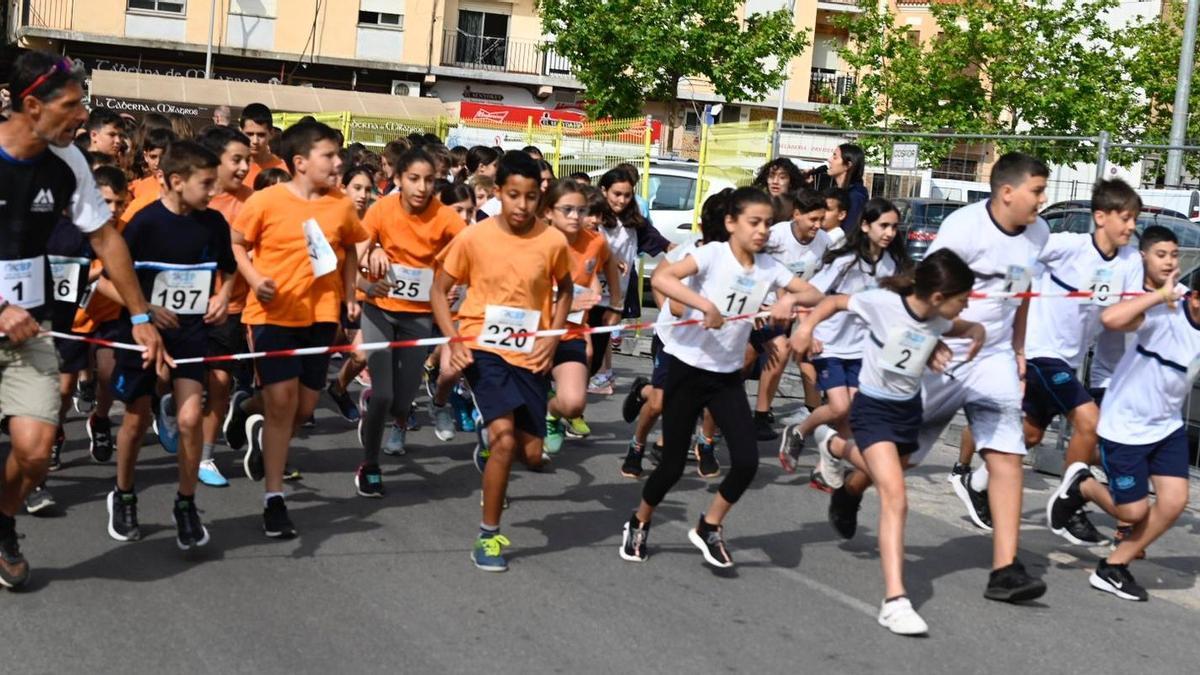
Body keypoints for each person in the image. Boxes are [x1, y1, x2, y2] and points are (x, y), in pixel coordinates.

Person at [0, 51, 165, 588]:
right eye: (72, 105)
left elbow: (105, 237)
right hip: (7, 315)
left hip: (34, 327)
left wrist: (139, 314)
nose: (83, 116)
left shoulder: (67, 162)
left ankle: (3, 522)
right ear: (31, 105)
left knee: (35, 455)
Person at [618, 187, 822, 568]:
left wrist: (789, 299)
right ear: (731, 224)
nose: (762, 231)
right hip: (686, 368)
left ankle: (709, 525)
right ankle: (639, 521)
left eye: (767, 223)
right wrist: (703, 305)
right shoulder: (712, 255)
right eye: (753, 222)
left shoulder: (769, 268)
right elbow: (664, 280)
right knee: (673, 466)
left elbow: (812, 292)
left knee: (746, 462)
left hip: (726, 375)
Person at [792, 249, 983, 634]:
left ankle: (835, 451)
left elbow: (962, 328)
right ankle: (895, 600)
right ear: (937, 296)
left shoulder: (939, 319)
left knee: (893, 471)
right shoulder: (883, 304)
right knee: (895, 495)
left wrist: (977, 331)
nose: (966, 306)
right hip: (873, 410)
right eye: (963, 298)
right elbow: (833, 302)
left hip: (908, 412)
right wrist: (805, 328)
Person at [911, 152, 1051, 602]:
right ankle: (848, 478)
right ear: (1007, 192)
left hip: (993, 358)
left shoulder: (1039, 233)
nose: (1042, 200)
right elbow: (927, 288)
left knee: (1007, 455)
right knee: (899, 455)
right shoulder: (963, 228)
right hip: (946, 351)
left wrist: (1018, 349)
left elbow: (1023, 293)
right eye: (1037, 190)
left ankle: (1004, 569)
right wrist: (929, 342)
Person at [430, 150, 573, 572]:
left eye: (530, 197)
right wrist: (453, 338)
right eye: (514, 196)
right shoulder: (474, 237)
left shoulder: (552, 240)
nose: (522, 206)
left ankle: (490, 451)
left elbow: (564, 290)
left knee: (532, 453)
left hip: (530, 354)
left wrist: (552, 337)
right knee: (505, 438)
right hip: (483, 348)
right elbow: (440, 290)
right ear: (498, 193)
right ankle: (488, 537)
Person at [230, 121, 367, 538]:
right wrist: (254, 280)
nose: (338, 163)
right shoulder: (266, 200)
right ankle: (274, 499)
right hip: (271, 316)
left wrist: (349, 297)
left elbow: (348, 252)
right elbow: (237, 242)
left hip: (321, 317)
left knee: (304, 410)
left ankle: (245, 410)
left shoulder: (341, 205)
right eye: (329, 155)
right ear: (300, 162)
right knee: (282, 405)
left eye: (338, 155)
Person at [1044, 225, 1195, 602]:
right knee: (1133, 514)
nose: (1169, 261)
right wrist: (1159, 296)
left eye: (1173, 255)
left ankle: (1113, 568)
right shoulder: (1167, 306)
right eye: (1162, 254)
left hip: (1166, 425)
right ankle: (1084, 486)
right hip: (1125, 421)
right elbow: (1112, 320)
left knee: (1174, 501)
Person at [102, 141, 236, 548]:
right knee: (136, 419)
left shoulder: (214, 224)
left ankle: (186, 502)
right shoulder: (144, 224)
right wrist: (145, 308)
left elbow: (229, 271)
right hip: (142, 334)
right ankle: (124, 495)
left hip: (192, 332)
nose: (214, 192)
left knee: (191, 418)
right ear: (177, 181)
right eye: (206, 183)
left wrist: (223, 296)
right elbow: (108, 279)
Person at [1019, 179, 1143, 546]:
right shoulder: (1067, 246)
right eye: (1125, 218)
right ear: (1100, 217)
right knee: (1088, 419)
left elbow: (1125, 321)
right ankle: (1070, 503)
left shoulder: (1131, 261)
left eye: (1135, 219)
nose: (1131, 226)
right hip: (1040, 350)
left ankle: (973, 479)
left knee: (1029, 435)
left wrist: (1131, 315)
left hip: (1069, 361)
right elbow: (1019, 256)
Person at [353, 148, 465, 496]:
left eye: (429, 180)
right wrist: (372, 257)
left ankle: (378, 407)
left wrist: (454, 283)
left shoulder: (444, 216)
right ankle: (370, 465)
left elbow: (472, 248)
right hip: (379, 310)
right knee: (386, 395)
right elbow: (353, 258)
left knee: (402, 404)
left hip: (418, 316)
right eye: (414, 179)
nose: (421, 187)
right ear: (398, 179)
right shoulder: (381, 209)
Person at [779, 198, 908, 480]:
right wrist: (807, 330)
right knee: (840, 406)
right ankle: (799, 432)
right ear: (864, 225)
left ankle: (823, 467)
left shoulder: (893, 264)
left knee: (852, 412)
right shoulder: (846, 261)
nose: (889, 232)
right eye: (883, 225)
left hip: (863, 349)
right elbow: (810, 296)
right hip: (829, 343)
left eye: (894, 227)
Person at [620, 189, 731, 479]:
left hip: (714, 340)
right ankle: (637, 445)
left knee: (714, 399)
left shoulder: (742, 258)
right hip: (675, 340)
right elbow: (662, 282)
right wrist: (668, 310)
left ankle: (705, 446)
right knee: (659, 403)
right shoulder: (691, 250)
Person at [541, 179, 622, 454]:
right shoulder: (534, 241)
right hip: (532, 333)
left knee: (574, 403)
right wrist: (563, 301)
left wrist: (616, 304)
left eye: (581, 210)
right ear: (548, 212)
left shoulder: (595, 241)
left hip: (571, 331)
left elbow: (610, 262)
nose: (576, 217)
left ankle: (552, 414)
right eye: (568, 210)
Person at [194, 125, 254, 488]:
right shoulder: (187, 196)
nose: (246, 167)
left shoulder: (255, 201)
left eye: (248, 160)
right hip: (179, 310)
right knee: (173, 378)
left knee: (219, 383)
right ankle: (166, 406)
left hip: (228, 310)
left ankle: (205, 456)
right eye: (237, 160)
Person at [753, 189, 831, 442]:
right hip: (764, 306)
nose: (818, 225)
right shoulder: (775, 236)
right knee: (751, 361)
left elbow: (821, 281)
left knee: (807, 351)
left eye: (822, 219)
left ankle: (809, 411)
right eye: (813, 220)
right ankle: (733, 412)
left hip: (801, 307)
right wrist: (782, 301)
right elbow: (767, 273)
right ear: (797, 215)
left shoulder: (825, 241)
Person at [589, 167, 671, 395]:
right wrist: (609, 259)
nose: (622, 200)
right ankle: (564, 404)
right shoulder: (592, 218)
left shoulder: (634, 222)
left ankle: (573, 400)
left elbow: (657, 241)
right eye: (617, 194)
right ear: (604, 191)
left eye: (627, 195)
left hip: (613, 298)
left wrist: (674, 249)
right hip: (587, 294)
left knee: (596, 355)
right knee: (583, 352)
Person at [240, 103, 288, 188]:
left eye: (261, 135)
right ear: (240, 132)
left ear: (271, 133)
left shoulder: (285, 171)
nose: (255, 141)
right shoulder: (232, 170)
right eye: (249, 134)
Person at [828, 144, 868, 235]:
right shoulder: (836, 192)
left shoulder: (856, 197)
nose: (829, 160)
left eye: (835, 157)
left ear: (848, 165)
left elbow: (849, 233)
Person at [128, 127, 176, 200]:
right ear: (146, 156)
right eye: (153, 157)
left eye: (163, 157)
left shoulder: (179, 186)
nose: (157, 163)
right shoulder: (135, 188)